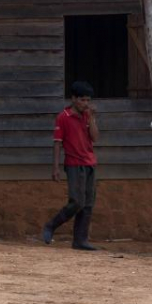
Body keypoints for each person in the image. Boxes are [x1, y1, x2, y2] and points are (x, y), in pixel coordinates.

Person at [42, 81, 100, 250]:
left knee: (88, 203)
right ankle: (51, 225)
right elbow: (57, 144)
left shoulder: (87, 116)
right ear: (73, 99)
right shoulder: (63, 117)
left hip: (90, 162)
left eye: (88, 100)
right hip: (74, 163)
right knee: (77, 202)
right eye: (82, 100)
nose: (86, 104)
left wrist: (93, 118)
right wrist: (56, 168)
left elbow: (95, 138)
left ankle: (80, 240)